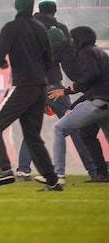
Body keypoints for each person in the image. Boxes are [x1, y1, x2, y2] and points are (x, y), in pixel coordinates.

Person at [0, 0, 60, 191]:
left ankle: (5, 169)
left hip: (22, 85)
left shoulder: (12, 28)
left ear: (17, 6)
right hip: (40, 87)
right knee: (33, 136)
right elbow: (49, 61)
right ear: (31, 6)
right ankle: (52, 181)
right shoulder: (41, 29)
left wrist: (2, 63)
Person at [14, 0, 96, 180]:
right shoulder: (61, 30)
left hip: (30, 84)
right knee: (71, 125)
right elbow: (69, 59)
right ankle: (93, 168)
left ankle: (23, 169)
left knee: (32, 128)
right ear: (55, 10)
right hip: (52, 85)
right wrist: (80, 81)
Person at [46, 26, 109, 184]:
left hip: (98, 102)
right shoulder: (99, 52)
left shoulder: (85, 52)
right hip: (104, 102)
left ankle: (58, 174)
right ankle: (101, 173)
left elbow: (91, 76)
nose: (72, 42)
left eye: (73, 38)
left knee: (59, 128)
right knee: (87, 134)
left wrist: (68, 90)